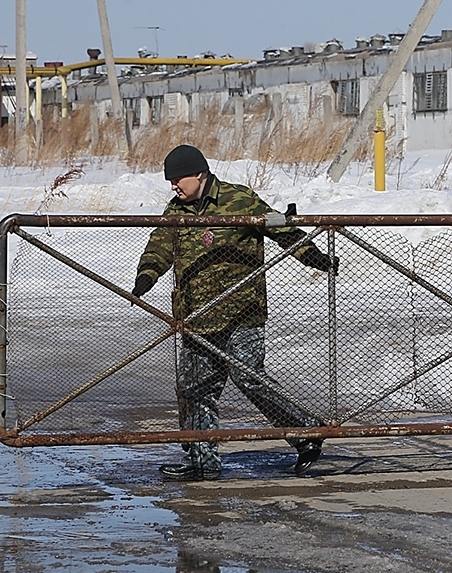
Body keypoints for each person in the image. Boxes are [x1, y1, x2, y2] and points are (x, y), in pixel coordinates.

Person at [132, 144, 336, 481]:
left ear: (199, 174)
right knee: (195, 389)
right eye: (169, 181)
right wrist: (146, 276)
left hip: (243, 311)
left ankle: (306, 434)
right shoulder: (175, 211)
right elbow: (159, 246)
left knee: (249, 378)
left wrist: (313, 256)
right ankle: (203, 462)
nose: (173, 186)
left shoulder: (239, 200)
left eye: (177, 179)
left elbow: (281, 228)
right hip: (197, 317)